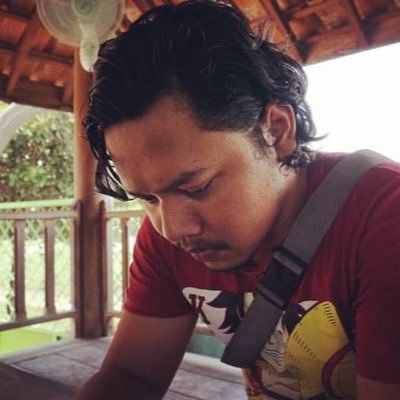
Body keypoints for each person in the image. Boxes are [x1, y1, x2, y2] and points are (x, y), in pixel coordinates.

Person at [76, 1, 400, 399]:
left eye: (197, 188)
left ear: (276, 131)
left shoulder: (385, 220)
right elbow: (131, 376)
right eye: (147, 198)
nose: (173, 229)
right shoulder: (168, 232)